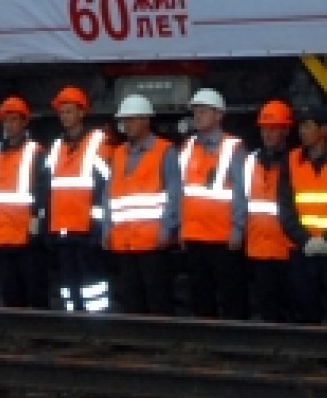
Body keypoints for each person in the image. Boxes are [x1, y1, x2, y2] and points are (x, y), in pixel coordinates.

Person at [103, 95, 181, 316]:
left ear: (146, 120)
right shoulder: (118, 153)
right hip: (124, 242)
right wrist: (107, 228)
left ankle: (161, 336)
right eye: (124, 120)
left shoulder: (164, 151)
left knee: (158, 300)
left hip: (153, 242)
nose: (127, 125)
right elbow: (109, 195)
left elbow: (174, 194)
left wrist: (167, 229)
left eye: (132, 119)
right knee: (131, 301)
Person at [278, 104, 327, 325]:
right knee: (305, 310)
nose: (302, 131)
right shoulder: (291, 160)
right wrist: (305, 241)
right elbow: (285, 207)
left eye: (308, 126)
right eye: (301, 126)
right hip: (302, 251)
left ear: (324, 130)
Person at [178, 87, 248, 320]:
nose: (197, 116)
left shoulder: (233, 147)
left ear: (219, 115)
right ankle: (206, 337)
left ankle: (235, 337)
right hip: (195, 236)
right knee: (201, 296)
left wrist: (238, 228)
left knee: (231, 296)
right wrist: (181, 227)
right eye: (195, 111)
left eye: (203, 111)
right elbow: (180, 191)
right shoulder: (188, 147)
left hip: (223, 237)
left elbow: (241, 191)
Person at [0, 96, 50, 309]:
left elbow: (43, 189)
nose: (9, 125)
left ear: (24, 122)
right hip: (1, 233)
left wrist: (37, 217)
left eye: (14, 120)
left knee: (34, 289)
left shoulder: (36, 152)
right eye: (6, 120)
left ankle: (39, 327)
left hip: (26, 235)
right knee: (9, 291)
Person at [45, 85, 111, 313]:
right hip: (63, 230)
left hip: (86, 230)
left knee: (92, 285)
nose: (65, 116)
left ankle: (97, 323)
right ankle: (72, 323)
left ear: (82, 113)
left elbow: (106, 188)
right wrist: (48, 225)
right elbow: (48, 189)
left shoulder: (98, 142)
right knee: (68, 285)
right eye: (62, 112)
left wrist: (99, 227)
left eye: (69, 111)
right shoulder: (56, 147)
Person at [242, 100, 296, 322]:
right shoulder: (250, 161)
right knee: (267, 308)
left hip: (287, 248)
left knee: (290, 307)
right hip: (259, 248)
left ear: (286, 131)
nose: (268, 134)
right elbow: (242, 202)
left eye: (274, 129)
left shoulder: (295, 162)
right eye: (265, 129)